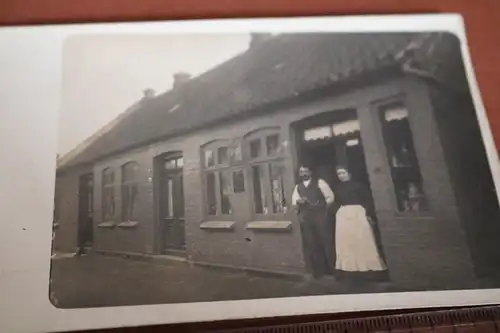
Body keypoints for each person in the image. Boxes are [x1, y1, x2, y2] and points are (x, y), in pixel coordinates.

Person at [333, 165, 387, 282]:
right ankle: (350, 268)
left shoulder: (358, 186)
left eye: (343, 173)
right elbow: (335, 201)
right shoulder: (337, 188)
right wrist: (338, 211)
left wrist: (367, 212)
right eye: (339, 174)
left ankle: (368, 268)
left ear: (349, 173)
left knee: (362, 239)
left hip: (358, 213)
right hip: (343, 215)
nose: (341, 176)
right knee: (347, 242)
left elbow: (367, 199)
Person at [292, 165, 335, 280]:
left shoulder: (320, 182)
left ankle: (334, 271)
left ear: (310, 172)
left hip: (320, 216)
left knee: (326, 242)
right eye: (301, 172)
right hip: (307, 218)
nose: (303, 173)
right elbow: (294, 203)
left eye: (306, 171)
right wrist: (299, 202)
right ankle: (318, 272)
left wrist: (322, 209)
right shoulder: (298, 187)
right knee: (312, 244)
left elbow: (330, 198)